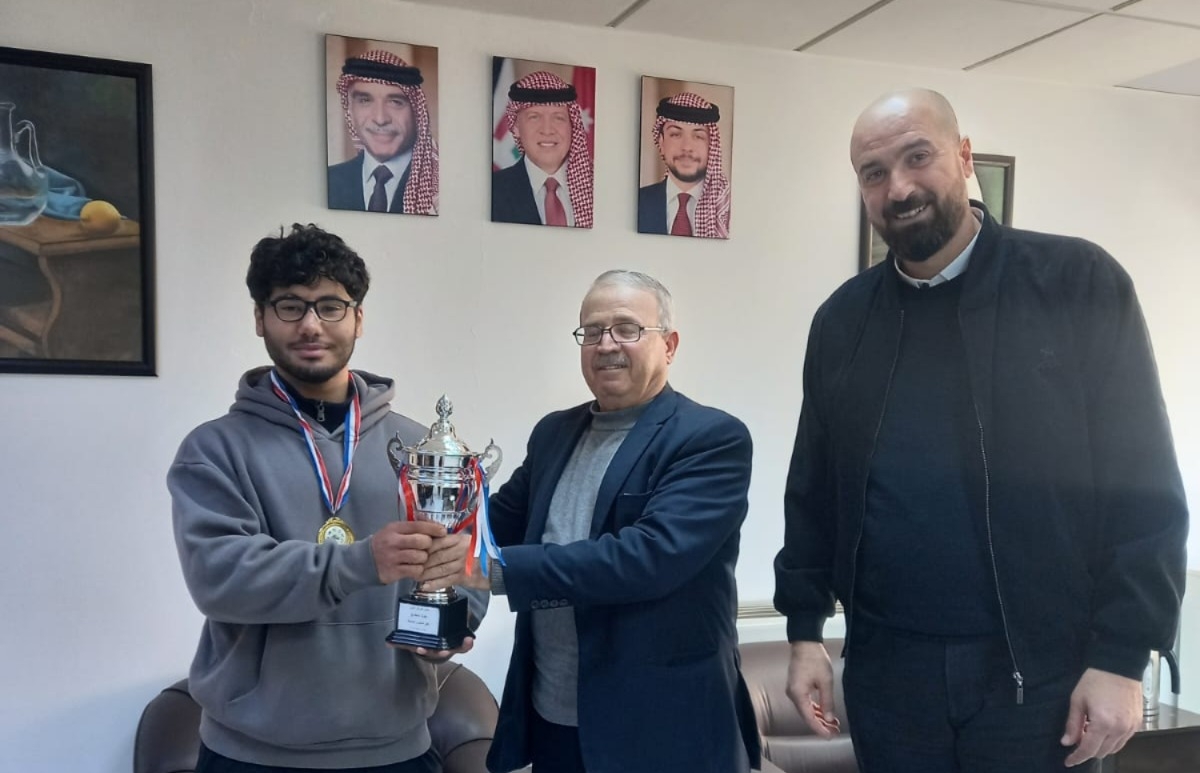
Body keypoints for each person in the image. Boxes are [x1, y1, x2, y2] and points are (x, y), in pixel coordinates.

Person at [773, 88, 1188, 773]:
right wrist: (803, 631)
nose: (898, 187)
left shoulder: (1076, 283)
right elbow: (813, 490)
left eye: (918, 157)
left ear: (964, 157)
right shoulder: (843, 321)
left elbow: (1142, 483)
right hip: (890, 677)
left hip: (1040, 678)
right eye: (874, 173)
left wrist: (1121, 656)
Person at [168, 223, 485, 772]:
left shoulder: (420, 450)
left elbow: (467, 563)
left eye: (331, 306)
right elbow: (220, 578)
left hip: (396, 750)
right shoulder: (214, 450)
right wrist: (361, 562)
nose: (311, 325)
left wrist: (453, 626)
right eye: (290, 306)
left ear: (358, 318)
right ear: (260, 318)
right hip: (252, 756)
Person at [449, 270, 760, 772]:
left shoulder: (710, 438)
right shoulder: (554, 433)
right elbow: (491, 527)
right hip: (554, 716)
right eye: (592, 331)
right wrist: (435, 550)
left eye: (626, 329)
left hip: (662, 730)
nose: (606, 344)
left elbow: (647, 559)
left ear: (669, 345)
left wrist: (494, 569)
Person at [328, 50, 438, 215]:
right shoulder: (331, 179)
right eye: (365, 100)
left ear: (416, 111)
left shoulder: (442, 186)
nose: (380, 119)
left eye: (395, 102)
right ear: (350, 109)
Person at [491, 71, 593, 228]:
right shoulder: (493, 190)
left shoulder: (600, 189)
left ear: (572, 125)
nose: (547, 130)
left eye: (558, 117)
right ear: (516, 127)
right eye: (534, 117)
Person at [637, 92, 731, 239]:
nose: (687, 147)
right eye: (675, 134)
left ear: (711, 146)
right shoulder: (639, 201)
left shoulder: (727, 207)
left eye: (698, 136)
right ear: (661, 143)